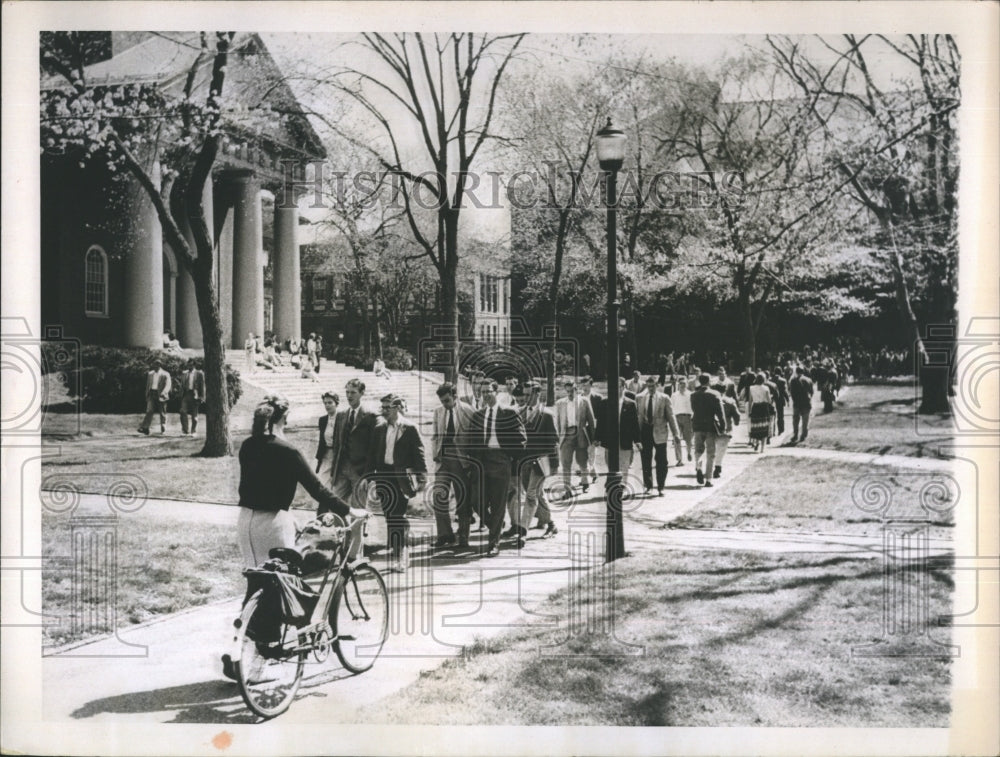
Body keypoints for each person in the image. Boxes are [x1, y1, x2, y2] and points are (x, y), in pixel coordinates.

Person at [236, 394, 361, 570]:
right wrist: (349, 510)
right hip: (273, 525)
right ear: (284, 418)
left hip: (245, 522)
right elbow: (316, 489)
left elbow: (261, 486)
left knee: (255, 580)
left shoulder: (247, 445)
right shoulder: (288, 451)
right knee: (281, 583)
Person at [367, 393, 427, 572]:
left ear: (398, 407)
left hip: (401, 477)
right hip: (384, 476)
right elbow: (372, 455)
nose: (384, 411)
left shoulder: (409, 428)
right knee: (389, 515)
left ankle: (402, 556)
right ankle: (398, 544)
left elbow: (419, 453)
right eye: (382, 407)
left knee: (397, 516)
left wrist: (422, 477)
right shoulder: (379, 428)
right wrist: (369, 478)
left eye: (388, 407)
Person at [467, 380, 526, 556]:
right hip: (482, 461)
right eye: (482, 392)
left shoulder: (508, 413)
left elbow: (521, 439)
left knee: (498, 503)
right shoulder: (478, 415)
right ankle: (496, 525)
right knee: (477, 500)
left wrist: (509, 456)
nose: (485, 395)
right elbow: (471, 439)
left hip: (501, 460)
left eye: (488, 391)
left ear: (496, 391)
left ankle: (493, 543)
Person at [431, 382, 475, 548]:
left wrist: (471, 461)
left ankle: (464, 536)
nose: (445, 404)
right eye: (442, 401)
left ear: (455, 396)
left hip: (462, 461)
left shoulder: (469, 411)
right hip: (443, 461)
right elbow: (435, 436)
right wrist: (435, 454)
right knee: (438, 496)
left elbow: (474, 437)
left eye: (447, 400)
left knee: (463, 499)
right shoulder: (438, 411)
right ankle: (445, 534)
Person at [513, 382, 559, 542]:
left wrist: (554, 465)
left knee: (532, 494)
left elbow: (554, 441)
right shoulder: (520, 412)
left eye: (529, 394)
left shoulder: (547, 414)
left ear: (538, 394)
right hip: (526, 461)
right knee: (538, 493)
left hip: (541, 462)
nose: (525, 398)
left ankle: (523, 530)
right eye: (524, 394)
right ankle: (551, 523)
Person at [332, 379, 378, 508]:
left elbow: (373, 449)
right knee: (334, 504)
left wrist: (367, 474)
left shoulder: (370, 416)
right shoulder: (341, 415)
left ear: (362, 393)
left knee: (358, 508)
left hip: (360, 471)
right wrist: (334, 470)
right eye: (347, 392)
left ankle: (357, 529)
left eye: (353, 392)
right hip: (341, 468)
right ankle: (341, 529)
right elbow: (337, 444)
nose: (349, 396)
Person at [634, 375, 681, 496]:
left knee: (661, 461)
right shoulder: (639, 398)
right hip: (645, 431)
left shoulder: (664, 398)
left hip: (660, 432)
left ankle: (661, 486)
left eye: (653, 386)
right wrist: (635, 436)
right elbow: (636, 417)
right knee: (645, 460)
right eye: (648, 386)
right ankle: (648, 486)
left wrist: (676, 433)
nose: (650, 388)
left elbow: (671, 416)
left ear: (657, 385)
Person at [554, 379, 596, 497]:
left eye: (572, 391)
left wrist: (593, 438)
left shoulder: (584, 401)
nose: (570, 394)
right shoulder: (560, 403)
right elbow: (557, 422)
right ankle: (567, 489)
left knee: (582, 460)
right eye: (567, 391)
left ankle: (585, 482)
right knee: (565, 462)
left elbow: (591, 421)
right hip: (566, 435)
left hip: (581, 434)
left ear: (576, 390)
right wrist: (558, 437)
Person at [598, 376, 641, 483]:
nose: (615, 389)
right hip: (610, 441)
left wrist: (637, 440)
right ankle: (613, 486)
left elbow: (634, 424)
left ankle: (622, 487)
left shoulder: (630, 404)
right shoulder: (605, 403)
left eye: (618, 386)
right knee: (611, 465)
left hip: (625, 440)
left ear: (623, 388)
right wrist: (597, 438)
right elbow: (601, 422)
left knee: (624, 466)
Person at [690, 373, 725, 487]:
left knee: (698, 450)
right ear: (709, 381)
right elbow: (720, 412)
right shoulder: (715, 394)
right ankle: (708, 479)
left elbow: (693, 409)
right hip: (710, 426)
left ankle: (698, 466)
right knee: (711, 453)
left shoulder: (694, 395)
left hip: (697, 425)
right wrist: (722, 425)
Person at [711, 381, 741, 479]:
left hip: (712, 426)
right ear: (725, 390)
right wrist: (736, 422)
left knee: (711, 448)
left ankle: (710, 466)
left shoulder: (711, 399)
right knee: (721, 448)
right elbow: (737, 415)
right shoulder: (730, 401)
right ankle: (718, 465)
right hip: (726, 427)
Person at [579, 376, 603, 486]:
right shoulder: (578, 398)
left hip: (594, 430)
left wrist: (598, 434)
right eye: (583, 385)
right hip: (582, 431)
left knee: (591, 453)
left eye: (587, 385)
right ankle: (592, 473)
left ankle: (587, 477)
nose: (585, 388)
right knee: (584, 454)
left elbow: (601, 416)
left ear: (591, 385)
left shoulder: (598, 398)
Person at [138, 360, 172, 435]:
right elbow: (148, 385)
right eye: (154, 365)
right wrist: (147, 394)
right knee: (149, 411)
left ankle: (163, 426)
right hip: (152, 394)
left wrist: (164, 392)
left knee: (162, 412)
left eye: (157, 365)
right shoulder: (150, 373)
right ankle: (145, 428)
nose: (155, 366)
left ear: (160, 365)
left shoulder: (165, 374)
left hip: (161, 394)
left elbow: (168, 385)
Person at [314, 391, 340, 483]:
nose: (327, 405)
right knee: (322, 481)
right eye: (325, 403)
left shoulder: (342, 418)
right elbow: (322, 441)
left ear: (336, 403)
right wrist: (319, 458)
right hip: (326, 455)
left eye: (330, 403)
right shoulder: (323, 420)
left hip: (339, 456)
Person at [747, 373, 774, 452]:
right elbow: (769, 401)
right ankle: (762, 448)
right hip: (764, 408)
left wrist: (749, 411)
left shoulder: (751, 388)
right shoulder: (766, 388)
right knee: (764, 427)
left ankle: (756, 442)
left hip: (755, 407)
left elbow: (750, 400)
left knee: (756, 426)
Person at [178, 359, 205, 436]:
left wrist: (202, 397)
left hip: (195, 395)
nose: (189, 366)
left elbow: (202, 387)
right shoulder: (184, 373)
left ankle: (193, 431)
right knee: (183, 411)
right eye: (188, 365)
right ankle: (185, 431)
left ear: (194, 365)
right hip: (186, 394)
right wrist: (180, 394)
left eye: (191, 365)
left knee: (194, 415)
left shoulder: (199, 373)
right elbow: (182, 385)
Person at [789, 365, 815, 443]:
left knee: (795, 420)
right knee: (805, 420)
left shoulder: (793, 380)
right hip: (806, 402)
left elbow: (792, 392)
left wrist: (794, 400)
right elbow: (812, 392)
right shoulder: (809, 380)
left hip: (797, 403)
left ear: (796, 372)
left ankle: (795, 435)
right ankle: (803, 435)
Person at [671, 377, 693, 463]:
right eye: (681, 383)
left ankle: (689, 452)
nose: (682, 385)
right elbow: (671, 407)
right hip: (676, 418)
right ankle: (679, 459)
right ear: (678, 384)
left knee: (688, 439)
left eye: (684, 383)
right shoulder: (674, 395)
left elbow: (693, 407)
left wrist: (692, 417)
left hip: (687, 417)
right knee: (676, 438)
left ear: (687, 384)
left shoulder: (690, 394)